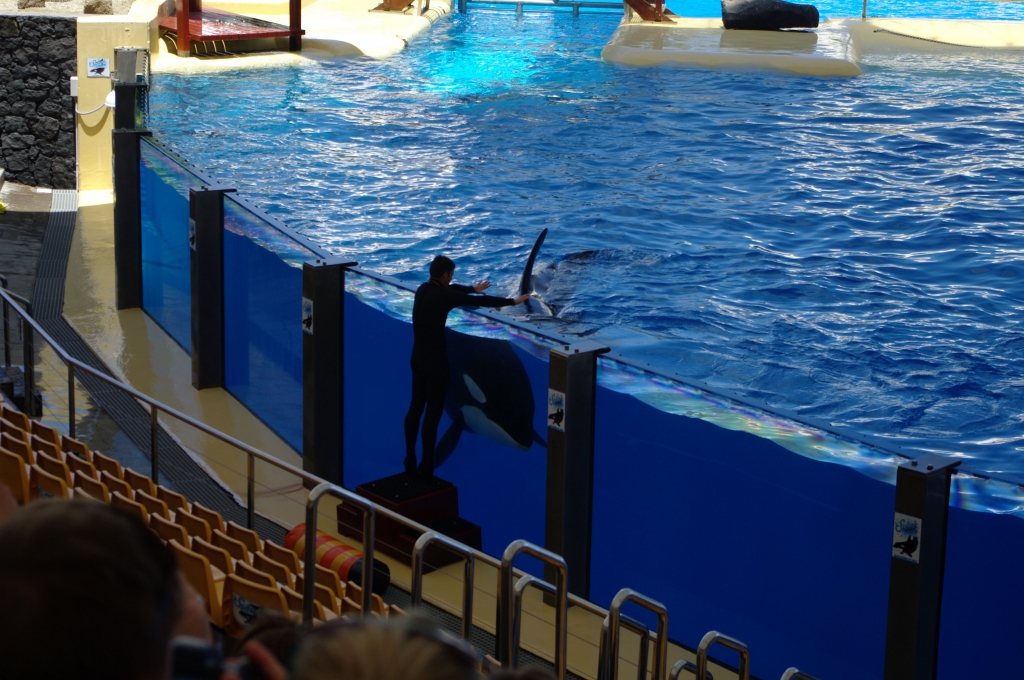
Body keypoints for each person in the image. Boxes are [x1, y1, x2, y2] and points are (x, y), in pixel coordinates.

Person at [404, 256, 529, 477]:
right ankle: (426, 464)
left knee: (415, 409)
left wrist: (472, 288)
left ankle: (410, 457)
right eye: (451, 275)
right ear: (445, 275)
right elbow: (479, 302)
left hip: (417, 359)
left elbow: (453, 289)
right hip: (436, 364)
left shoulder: (423, 289)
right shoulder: (445, 297)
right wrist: (513, 302)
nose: (451, 279)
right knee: (432, 414)